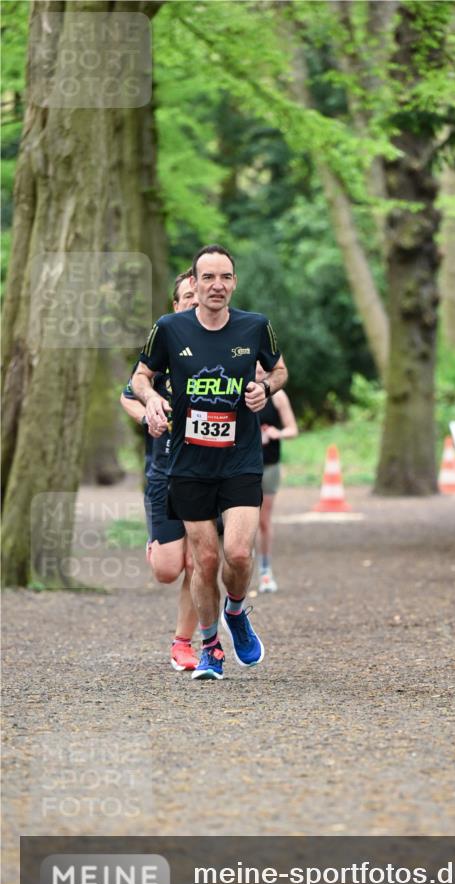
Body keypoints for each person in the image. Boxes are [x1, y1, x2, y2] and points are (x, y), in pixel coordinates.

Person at [132, 244, 288, 681]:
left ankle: (235, 613)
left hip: (240, 459)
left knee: (237, 554)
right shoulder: (169, 329)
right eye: (208, 278)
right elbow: (139, 377)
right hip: (187, 463)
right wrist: (153, 400)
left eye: (225, 277)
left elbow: (279, 371)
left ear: (234, 282)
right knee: (204, 561)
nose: (216, 285)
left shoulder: (255, 327)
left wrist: (266, 390)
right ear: (194, 285)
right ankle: (210, 647)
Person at [120, 269, 199, 671]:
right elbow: (128, 394)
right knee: (169, 570)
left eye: (200, 295)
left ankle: (183, 643)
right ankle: (157, 545)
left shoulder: (223, 345)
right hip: (165, 472)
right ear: (176, 304)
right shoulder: (161, 347)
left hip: (208, 472)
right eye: (188, 296)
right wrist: (145, 414)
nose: (195, 301)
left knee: (198, 562)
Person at [255, 361, 298, 593]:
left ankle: (265, 570)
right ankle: (239, 569)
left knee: (263, 520)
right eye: (256, 369)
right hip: (241, 468)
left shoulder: (278, 397)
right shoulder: (239, 392)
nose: (259, 374)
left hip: (269, 465)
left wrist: (275, 433)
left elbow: (293, 429)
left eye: (263, 370)